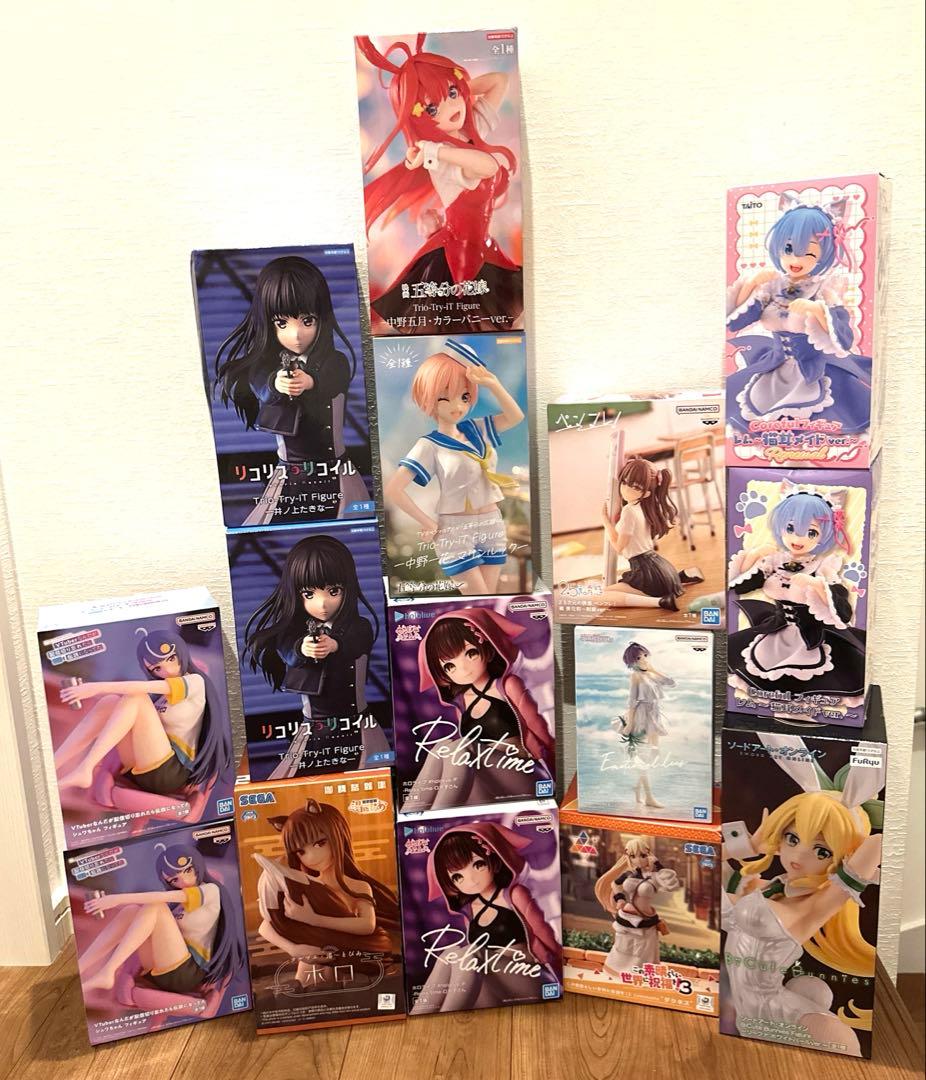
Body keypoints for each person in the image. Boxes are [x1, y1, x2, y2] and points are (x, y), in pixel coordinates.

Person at [357, 35, 522, 334]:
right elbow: (487, 166)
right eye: (432, 110)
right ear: (420, 120)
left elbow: (499, 81)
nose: (451, 107)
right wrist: (434, 149)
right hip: (460, 254)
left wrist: (451, 88)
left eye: (452, 93)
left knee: (490, 319)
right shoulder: (440, 155)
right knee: (469, 322)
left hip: (478, 245)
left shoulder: (468, 131)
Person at [214, 255, 370, 524]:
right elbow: (263, 388)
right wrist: (276, 383)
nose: (296, 335)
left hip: (336, 471)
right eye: (282, 323)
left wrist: (311, 381)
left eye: (307, 321)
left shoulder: (335, 361)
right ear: (268, 323)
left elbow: (334, 379)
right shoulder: (264, 367)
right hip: (289, 474)